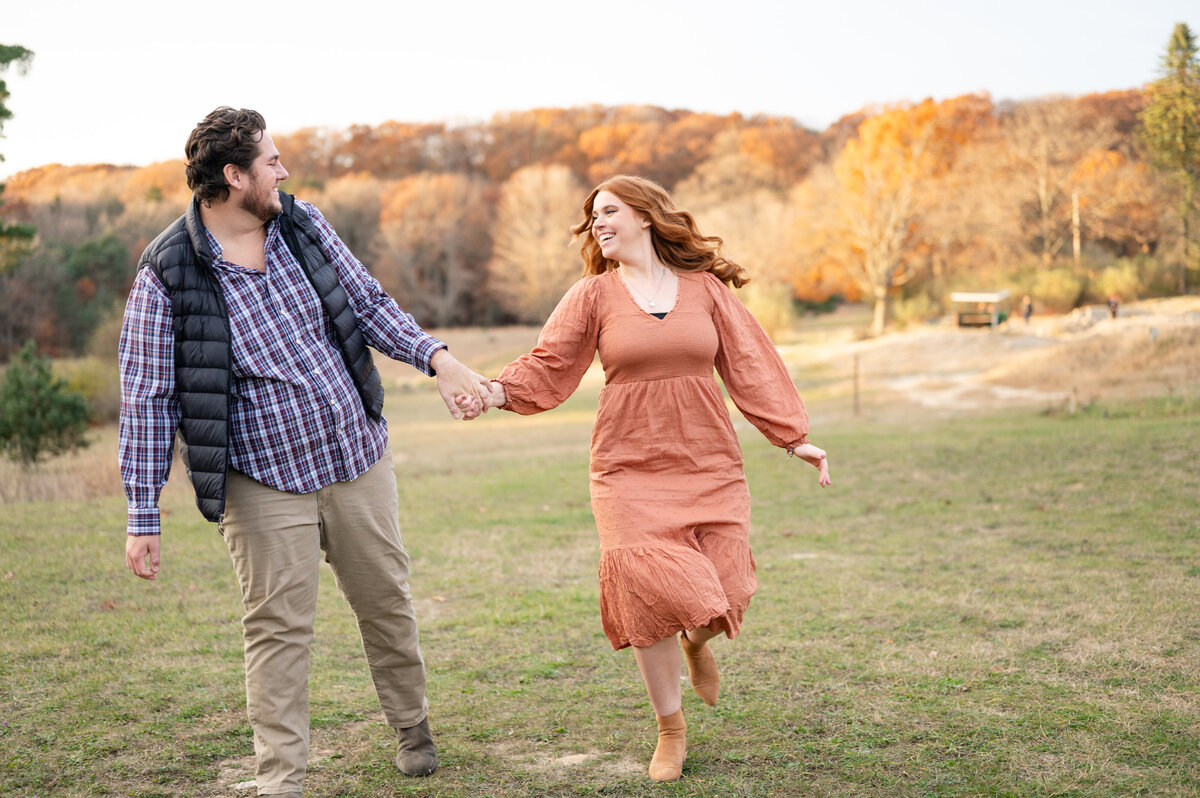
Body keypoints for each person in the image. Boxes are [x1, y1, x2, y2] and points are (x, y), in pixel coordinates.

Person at [119, 107, 490, 797]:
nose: (284, 172)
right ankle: (281, 779)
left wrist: (439, 361)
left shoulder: (303, 224)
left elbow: (371, 305)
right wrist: (144, 511)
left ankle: (412, 725)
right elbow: (147, 397)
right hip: (260, 482)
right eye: (272, 161)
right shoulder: (167, 272)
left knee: (386, 603)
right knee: (277, 631)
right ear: (234, 176)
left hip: (355, 456)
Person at [462, 175, 831, 782]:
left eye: (609, 211)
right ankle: (671, 728)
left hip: (707, 460)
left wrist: (793, 438)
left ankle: (697, 642)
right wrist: (494, 392)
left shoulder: (705, 290)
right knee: (645, 587)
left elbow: (750, 362)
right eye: (593, 216)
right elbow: (551, 365)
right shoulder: (592, 296)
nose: (597, 223)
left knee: (728, 589)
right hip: (627, 465)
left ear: (646, 217)